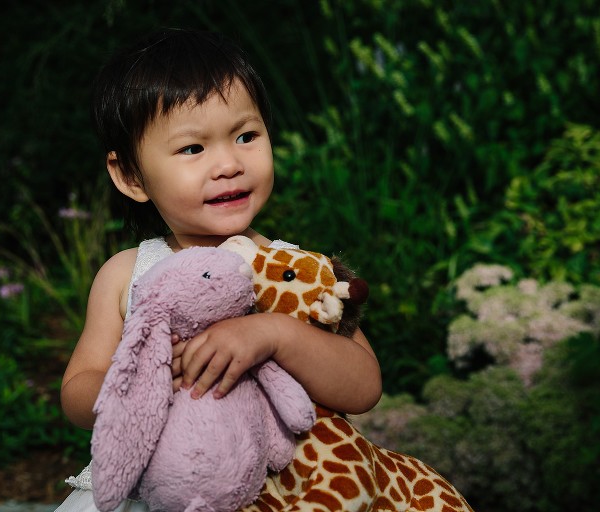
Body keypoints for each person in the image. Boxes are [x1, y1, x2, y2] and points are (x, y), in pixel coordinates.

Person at [55, 28, 382, 512]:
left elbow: (364, 386)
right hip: (156, 493)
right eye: (193, 149)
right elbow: (77, 389)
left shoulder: (291, 271)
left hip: (276, 490)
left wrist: (275, 334)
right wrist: (140, 379)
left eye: (246, 136)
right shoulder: (127, 273)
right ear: (131, 176)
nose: (228, 163)